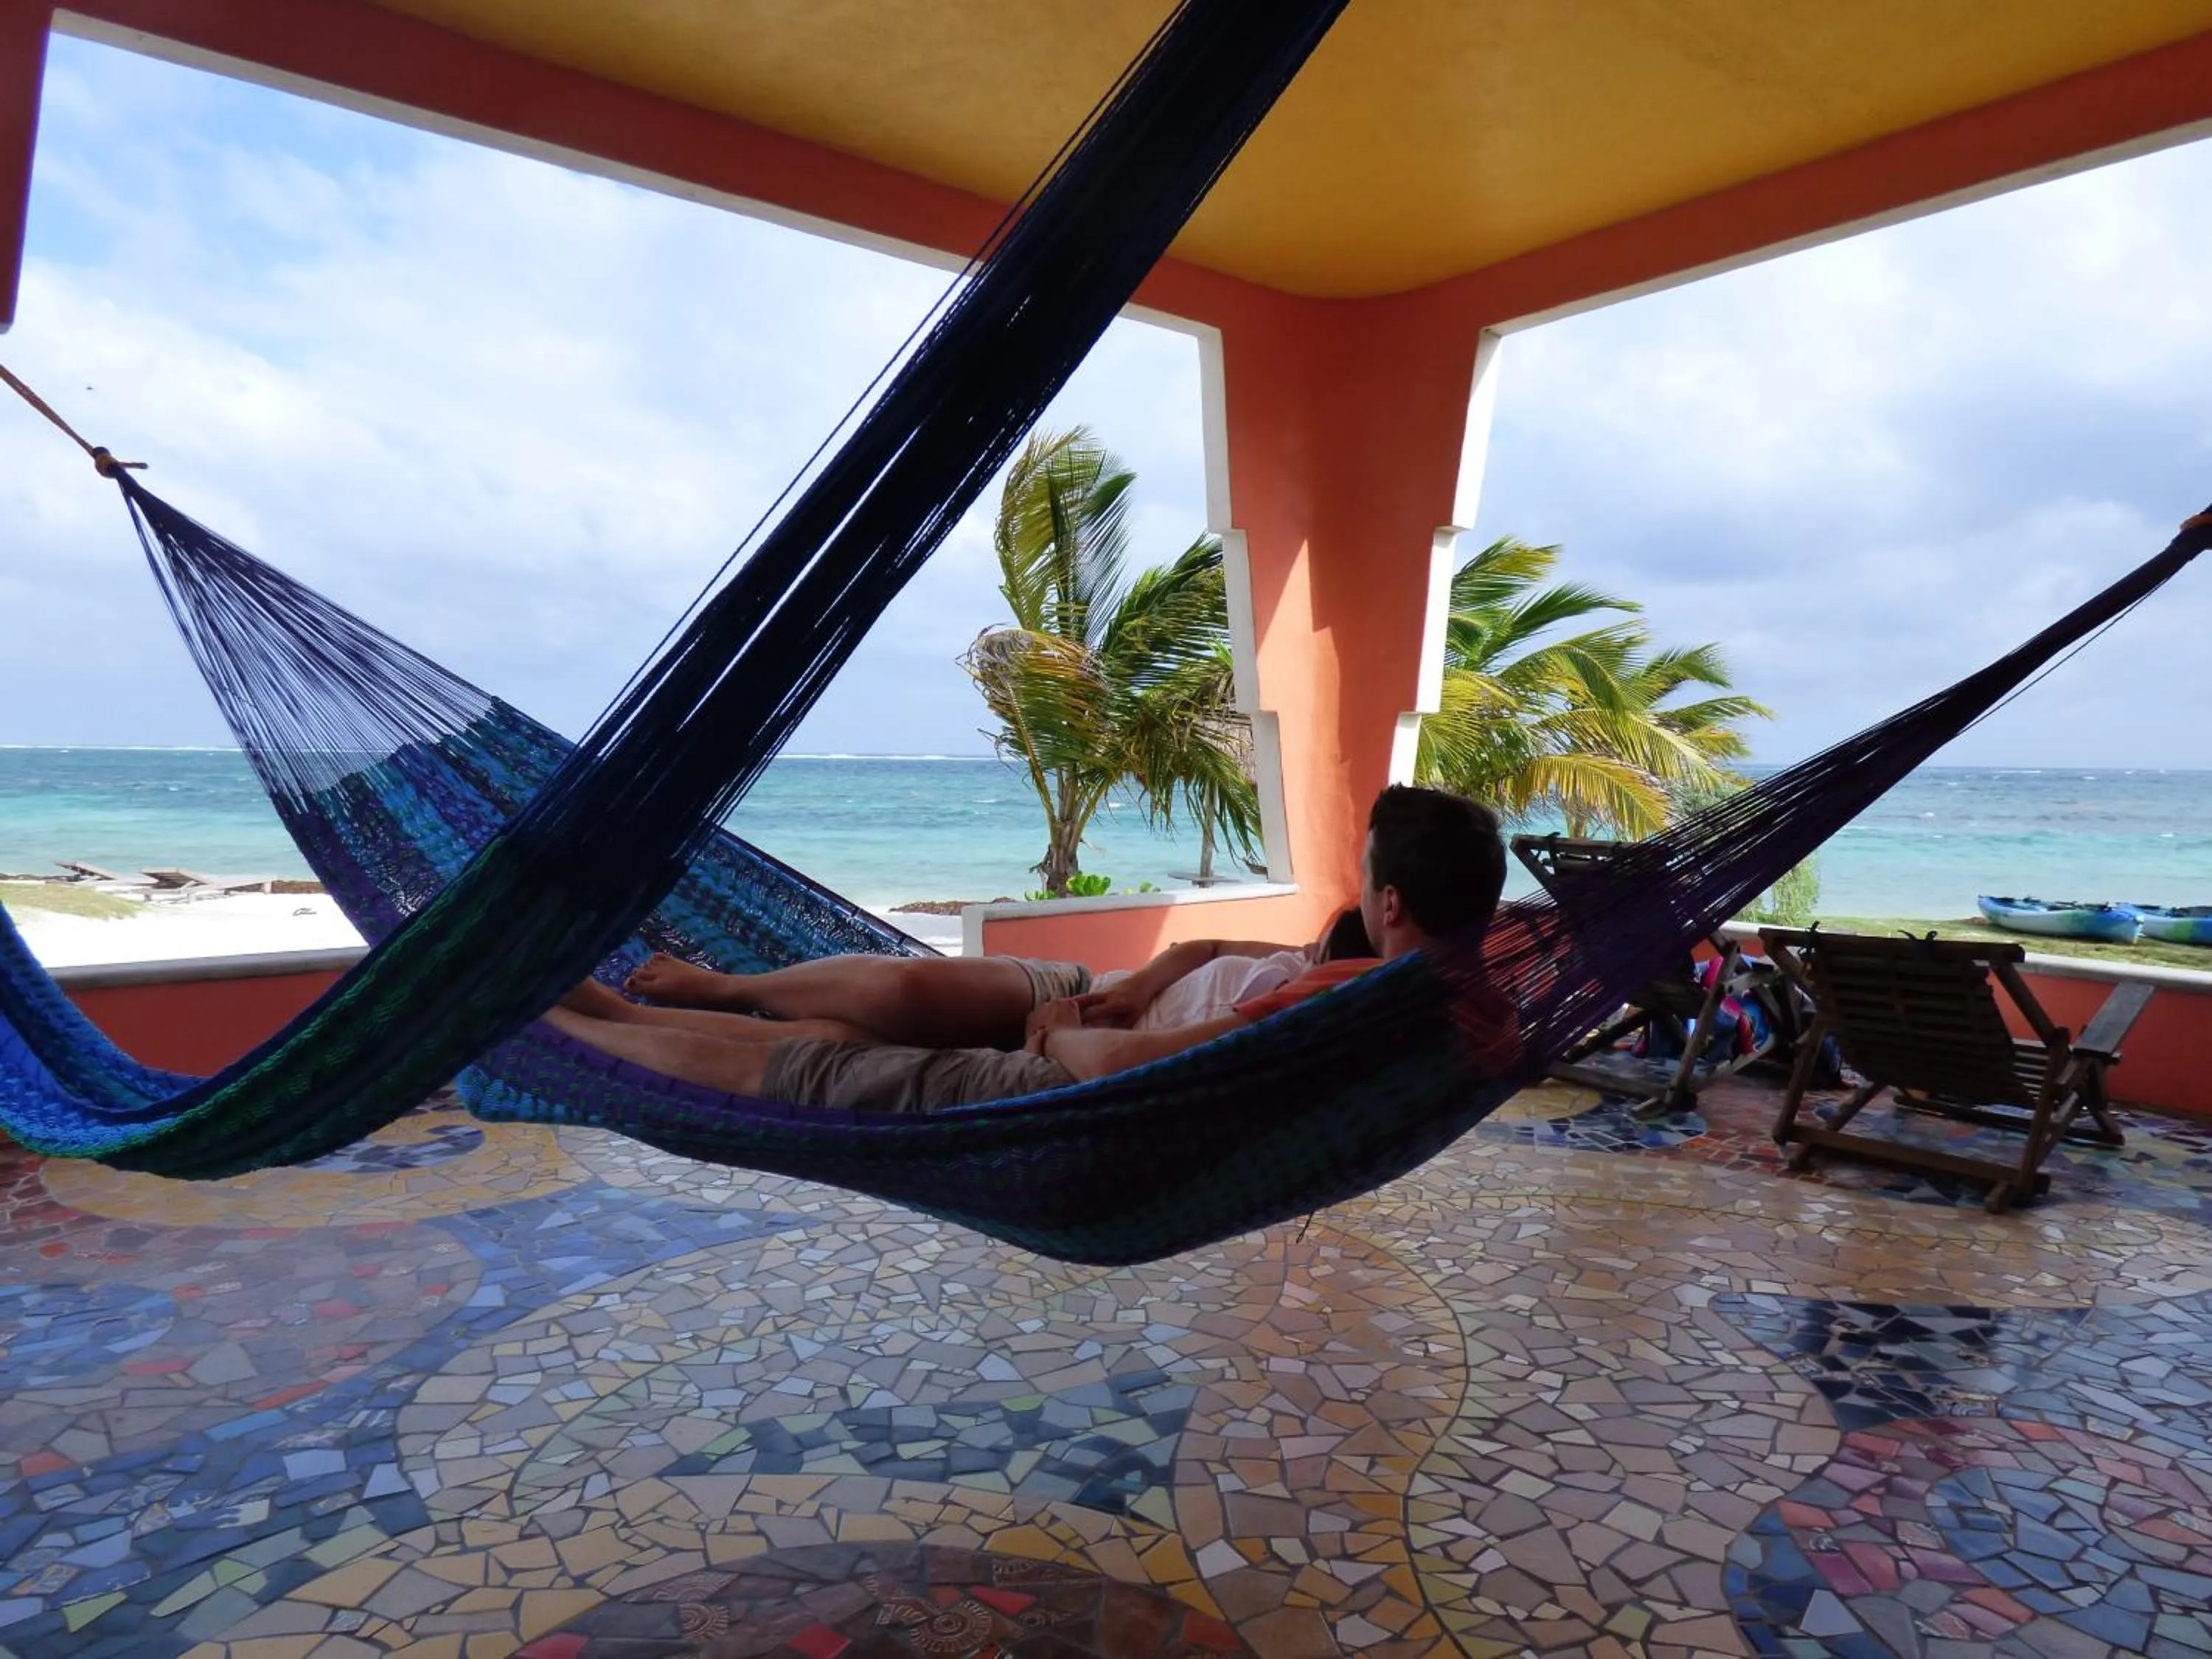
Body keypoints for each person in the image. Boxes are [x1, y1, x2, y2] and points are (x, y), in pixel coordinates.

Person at [542, 785, 1512, 1111]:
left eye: (1362, 869)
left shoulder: (1360, 1007)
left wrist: (1057, 1036)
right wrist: (1145, 983)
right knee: (908, 988)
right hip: (1115, 994)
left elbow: (1128, 1069)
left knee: (828, 1066)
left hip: (1076, 1074)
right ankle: (718, 985)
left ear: (1391, 898)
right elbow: (1216, 940)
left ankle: (582, 1027)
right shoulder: (1441, 975)